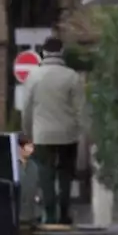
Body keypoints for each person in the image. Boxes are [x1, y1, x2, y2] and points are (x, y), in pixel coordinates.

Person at [21, 37, 85, 225]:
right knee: (65, 174)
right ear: (62, 51)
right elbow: (80, 109)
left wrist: (28, 132)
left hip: (42, 135)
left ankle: (49, 215)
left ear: (43, 53)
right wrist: (80, 130)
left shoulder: (34, 77)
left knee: (45, 174)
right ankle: (64, 214)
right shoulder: (72, 77)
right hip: (68, 134)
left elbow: (27, 109)